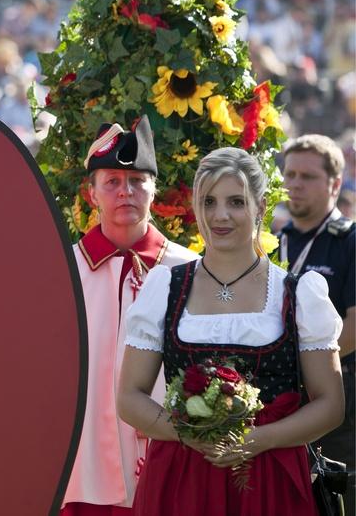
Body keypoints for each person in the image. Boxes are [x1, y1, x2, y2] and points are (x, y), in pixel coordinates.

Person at [118, 147, 344, 515]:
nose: (220, 215)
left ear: (260, 205)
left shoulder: (298, 293)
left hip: (268, 478)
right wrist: (191, 436)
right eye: (208, 201)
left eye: (236, 202)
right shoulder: (165, 287)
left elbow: (331, 405)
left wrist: (258, 439)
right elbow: (129, 397)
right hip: (181, 478)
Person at [62, 116, 198, 515]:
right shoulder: (63, 271)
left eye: (138, 181)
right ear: (92, 194)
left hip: (171, 463)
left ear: (154, 190)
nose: (126, 192)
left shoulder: (187, 269)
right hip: (85, 468)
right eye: (113, 183)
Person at [278, 134, 354, 513]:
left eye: (307, 176)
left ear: (335, 184)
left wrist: (302, 369)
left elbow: (355, 325)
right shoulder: (274, 241)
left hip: (340, 405)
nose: (294, 183)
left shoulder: (351, 241)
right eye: (289, 174)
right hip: (283, 404)